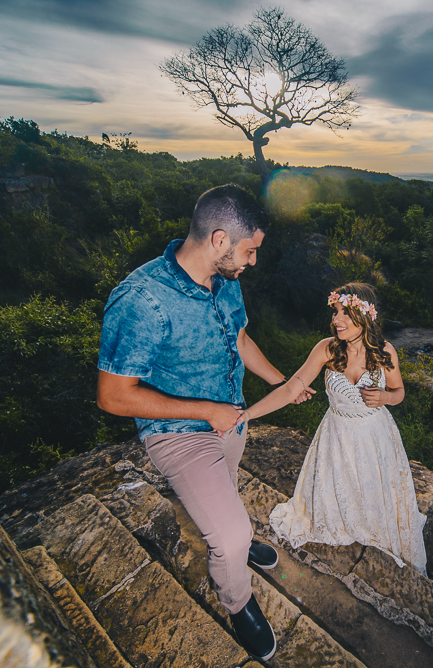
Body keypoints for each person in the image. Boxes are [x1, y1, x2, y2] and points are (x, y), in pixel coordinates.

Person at [96, 184, 312, 661]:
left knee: (229, 493)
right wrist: (205, 412)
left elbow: (239, 338)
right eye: (250, 251)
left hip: (231, 418)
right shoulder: (140, 299)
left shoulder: (226, 279)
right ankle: (237, 602)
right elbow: (112, 396)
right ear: (219, 240)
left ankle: (236, 542)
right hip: (178, 433)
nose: (252, 261)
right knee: (230, 537)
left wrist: (286, 382)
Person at [234, 283, 428, 576]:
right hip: (336, 437)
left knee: (375, 498)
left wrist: (386, 397)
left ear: (365, 317)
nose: (336, 320)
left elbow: (399, 391)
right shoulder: (326, 349)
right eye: (335, 312)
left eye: (345, 314)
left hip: (375, 438)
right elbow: (290, 390)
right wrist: (246, 415)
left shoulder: (384, 352)